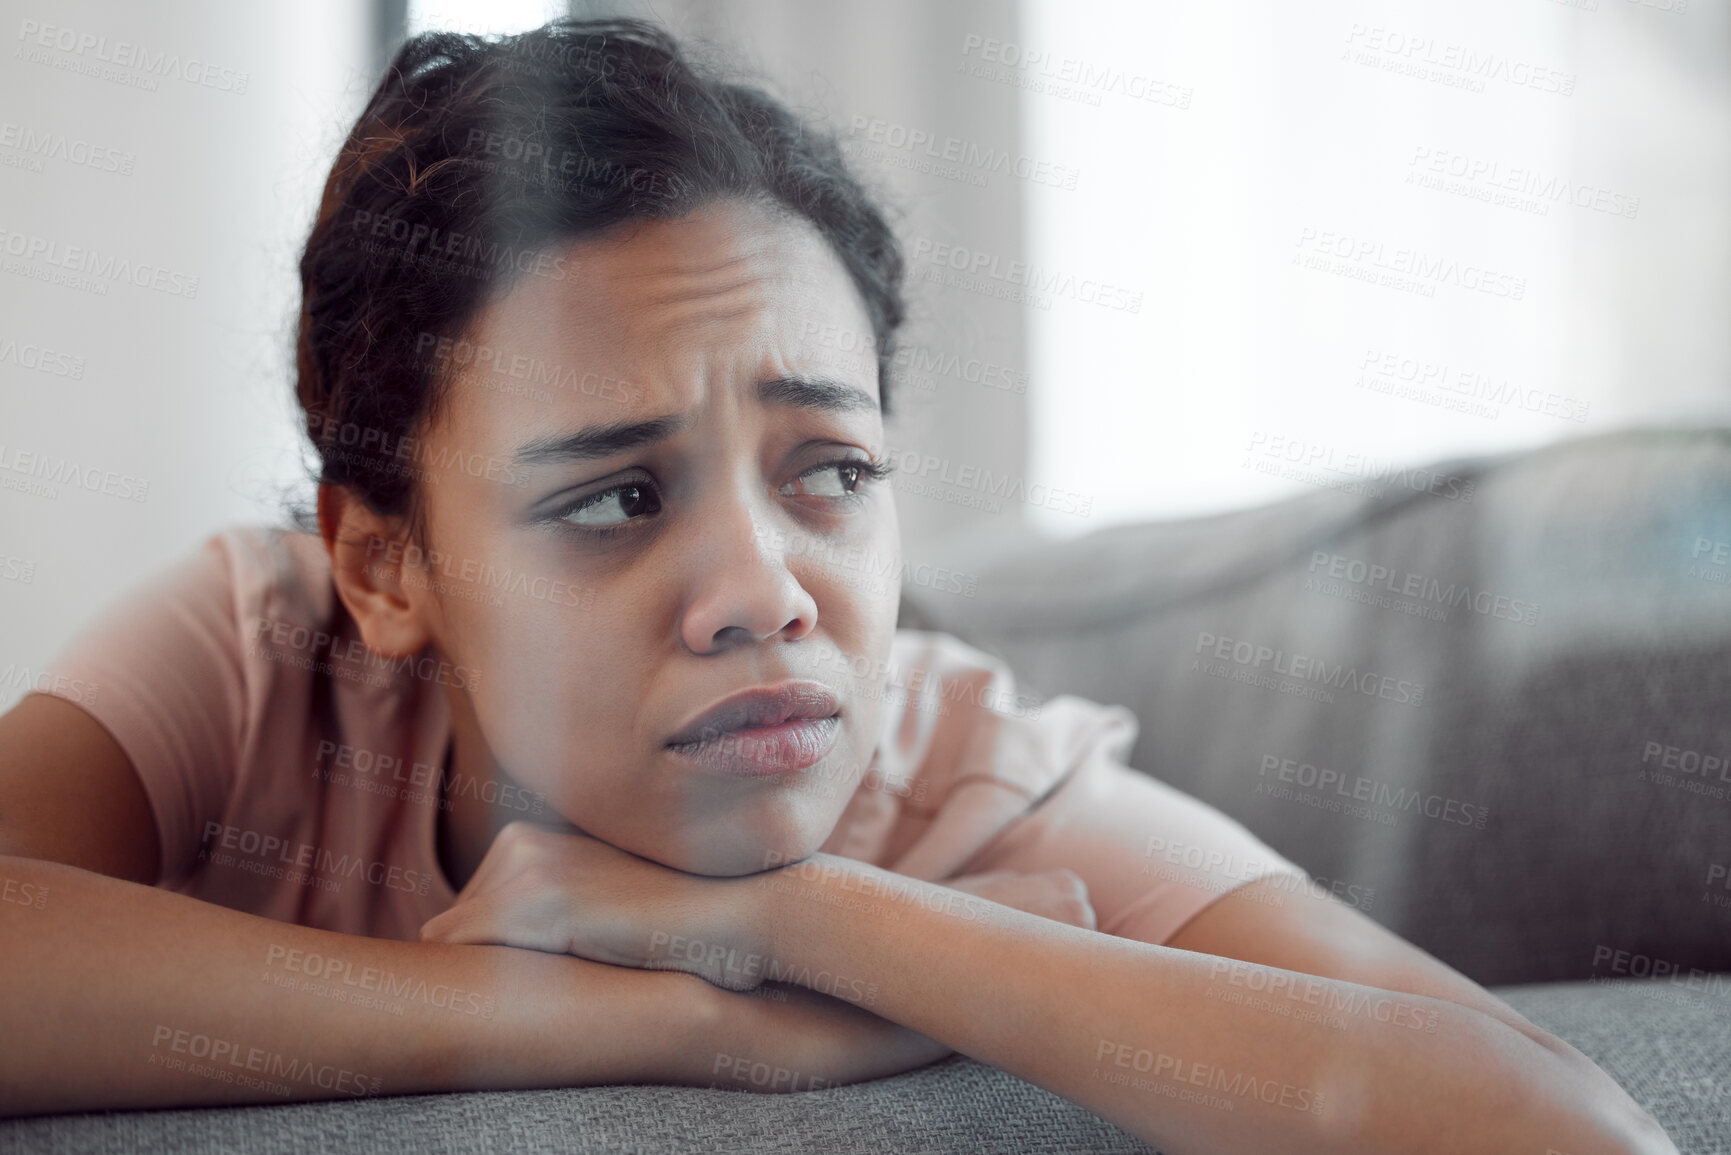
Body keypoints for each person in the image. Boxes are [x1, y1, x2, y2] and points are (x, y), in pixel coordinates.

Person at [0, 18, 1674, 1153]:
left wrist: (798, 918)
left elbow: (1567, 1129)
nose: (765, 592)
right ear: (380, 564)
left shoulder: (964, 771)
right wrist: (639, 1019)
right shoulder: (257, 650)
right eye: (615, 497)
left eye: (831, 474)